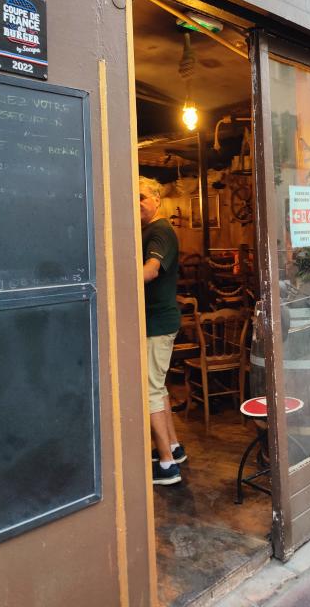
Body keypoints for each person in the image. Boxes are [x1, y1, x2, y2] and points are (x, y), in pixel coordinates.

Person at [139, 176, 186, 485]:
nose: (137, 203)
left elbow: (151, 270)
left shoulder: (160, 231)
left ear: (157, 200)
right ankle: (173, 447)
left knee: (150, 390)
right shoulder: (153, 230)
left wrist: (115, 280)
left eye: (142, 197)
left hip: (157, 322)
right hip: (158, 320)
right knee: (159, 387)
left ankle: (167, 465)